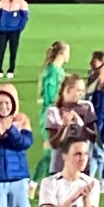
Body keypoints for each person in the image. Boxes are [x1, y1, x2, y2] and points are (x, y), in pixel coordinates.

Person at [30, 41, 70, 198]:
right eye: (67, 51)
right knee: (50, 152)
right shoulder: (53, 72)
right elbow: (50, 97)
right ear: (62, 53)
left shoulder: (56, 70)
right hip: (50, 117)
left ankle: (47, 187)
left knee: (55, 153)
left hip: (54, 115)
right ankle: (33, 184)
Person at [45, 74, 98, 176]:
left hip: (81, 167)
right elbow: (54, 144)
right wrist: (65, 126)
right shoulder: (53, 111)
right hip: (60, 167)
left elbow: (94, 138)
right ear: (68, 90)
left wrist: (81, 125)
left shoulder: (86, 107)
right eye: (78, 90)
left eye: (82, 91)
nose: (81, 94)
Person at [84, 50, 104, 183]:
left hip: (99, 118)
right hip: (93, 118)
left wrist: (99, 121)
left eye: (94, 60)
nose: (91, 63)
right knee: (93, 150)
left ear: (101, 61)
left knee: (100, 149)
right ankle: (90, 179)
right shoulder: (97, 75)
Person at [0, 0, 28, 79]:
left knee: (13, 51)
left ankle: (10, 70)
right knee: (0, 50)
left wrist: (19, 28)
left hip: (14, 31)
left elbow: (24, 18)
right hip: (3, 30)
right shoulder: (2, 2)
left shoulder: (22, 3)